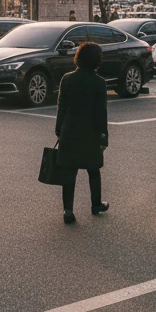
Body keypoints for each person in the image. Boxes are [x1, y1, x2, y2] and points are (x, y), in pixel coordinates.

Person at [54, 41, 109, 224]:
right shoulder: (99, 83)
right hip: (91, 132)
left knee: (69, 172)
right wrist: (103, 136)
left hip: (70, 130)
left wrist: (59, 129)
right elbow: (101, 113)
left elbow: (61, 107)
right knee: (93, 170)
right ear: (96, 60)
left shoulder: (67, 79)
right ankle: (96, 205)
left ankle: (68, 210)